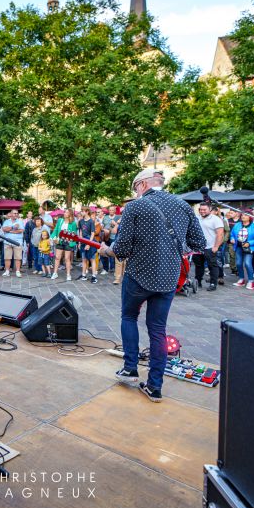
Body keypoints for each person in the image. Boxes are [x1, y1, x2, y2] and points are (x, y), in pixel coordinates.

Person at [98, 168, 205, 403]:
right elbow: (199, 242)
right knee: (157, 329)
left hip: (139, 275)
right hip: (168, 277)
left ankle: (130, 369)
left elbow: (122, 249)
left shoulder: (135, 207)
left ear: (143, 184)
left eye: (135, 188)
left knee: (129, 317)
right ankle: (155, 387)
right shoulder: (182, 205)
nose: (135, 193)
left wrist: (107, 250)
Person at [193, 203, 224, 291]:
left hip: (210, 247)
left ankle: (213, 283)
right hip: (198, 247)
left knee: (212, 266)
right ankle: (197, 282)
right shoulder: (197, 218)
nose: (202, 211)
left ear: (210, 209)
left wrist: (216, 246)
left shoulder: (216, 219)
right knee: (198, 266)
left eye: (204, 210)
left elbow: (220, 234)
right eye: (200, 209)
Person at [230, 212, 254, 290]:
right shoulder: (237, 225)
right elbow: (232, 234)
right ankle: (241, 279)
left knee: (248, 263)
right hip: (238, 247)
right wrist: (232, 238)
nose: (243, 216)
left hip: (249, 248)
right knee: (238, 263)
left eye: (245, 215)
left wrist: (249, 243)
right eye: (242, 215)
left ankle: (251, 281)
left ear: (250, 217)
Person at [51, 209, 78, 281]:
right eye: (65, 212)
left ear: (70, 214)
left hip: (68, 242)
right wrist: (52, 237)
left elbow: (74, 234)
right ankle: (55, 273)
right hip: (59, 241)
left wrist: (71, 243)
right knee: (57, 257)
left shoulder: (73, 223)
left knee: (67, 258)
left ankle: (68, 274)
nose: (65, 213)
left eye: (66, 212)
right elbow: (56, 230)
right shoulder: (60, 220)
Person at [78, 207, 100, 283]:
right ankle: (83, 275)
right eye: (81, 211)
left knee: (92, 259)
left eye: (82, 211)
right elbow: (80, 232)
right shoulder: (80, 221)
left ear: (87, 212)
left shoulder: (91, 221)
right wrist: (80, 242)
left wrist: (89, 244)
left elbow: (92, 233)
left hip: (90, 242)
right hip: (83, 242)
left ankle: (94, 276)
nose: (81, 212)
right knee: (84, 259)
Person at [0, 209, 24, 277]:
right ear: (11, 214)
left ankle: (18, 271)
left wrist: (10, 231)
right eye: (14, 213)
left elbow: (21, 230)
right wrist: (13, 227)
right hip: (7, 242)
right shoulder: (6, 221)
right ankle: (7, 271)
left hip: (17, 242)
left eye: (17, 213)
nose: (16, 214)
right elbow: (4, 229)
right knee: (7, 258)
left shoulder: (20, 221)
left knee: (18, 258)